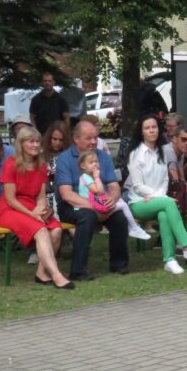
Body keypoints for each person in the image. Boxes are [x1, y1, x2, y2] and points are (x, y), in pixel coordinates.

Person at [124, 115, 187, 274]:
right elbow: (138, 185)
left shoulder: (162, 152)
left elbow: (165, 179)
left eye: (154, 127)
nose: (152, 131)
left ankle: (170, 260)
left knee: (164, 214)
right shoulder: (136, 154)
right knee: (169, 203)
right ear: (141, 132)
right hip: (138, 203)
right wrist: (159, 196)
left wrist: (159, 196)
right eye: (147, 128)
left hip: (158, 200)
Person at [0, 126, 73, 288]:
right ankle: (56, 275)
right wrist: (32, 214)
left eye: (38, 141)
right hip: (11, 209)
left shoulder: (40, 165)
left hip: (32, 207)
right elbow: (10, 199)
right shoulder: (10, 164)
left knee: (56, 229)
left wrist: (39, 209)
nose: (36, 145)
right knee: (41, 230)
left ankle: (41, 273)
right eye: (31, 142)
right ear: (21, 144)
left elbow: (41, 196)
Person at [55, 118, 130, 280]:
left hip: (100, 202)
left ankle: (119, 264)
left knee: (119, 217)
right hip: (72, 206)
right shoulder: (65, 159)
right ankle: (78, 271)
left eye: (96, 137)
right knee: (87, 216)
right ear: (76, 138)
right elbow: (67, 195)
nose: (94, 142)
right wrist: (95, 208)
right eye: (89, 138)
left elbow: (114, 186)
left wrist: (112, 199)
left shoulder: (103, 156)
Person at [78, 148, 150, 239]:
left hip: (96, 204)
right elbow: (99, 191)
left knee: (120, 201)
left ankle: (131, 227)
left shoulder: (89, 177)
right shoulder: (86, 177)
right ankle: (134, 228)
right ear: (83, 166)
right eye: (91, 162)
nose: (95, 164)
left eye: (96, 161)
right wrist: (97, 177)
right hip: (94, 208)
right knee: (123, 205)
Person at [43, 120, 72, 220]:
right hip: (44, 196)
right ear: (49, 138)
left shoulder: (70, 155)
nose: (57, 143)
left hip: (64, 196)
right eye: (54, 139)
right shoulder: (41, 154)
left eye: (61, 140)